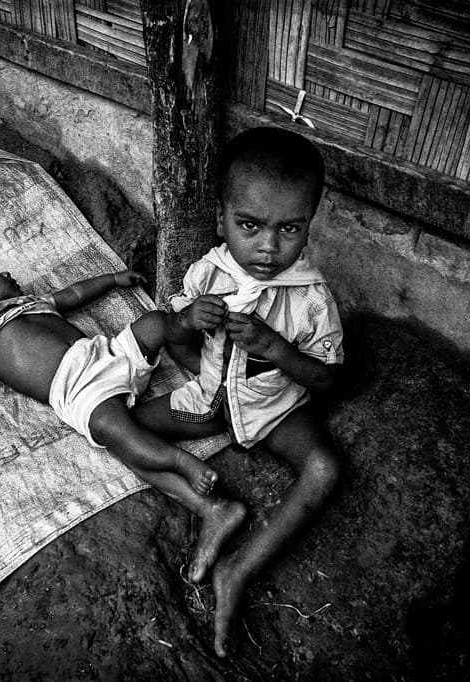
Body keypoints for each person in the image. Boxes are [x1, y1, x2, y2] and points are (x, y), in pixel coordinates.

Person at [0, 259, 255, 539]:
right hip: (79, 390)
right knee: (117, 433)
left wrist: (112, 280)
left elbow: (73, 295)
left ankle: (207, 363)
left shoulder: (25, 301)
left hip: (107, 352)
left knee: (156, 323)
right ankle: (180, 462)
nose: (6, 273)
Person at [133, 127, 344, 657]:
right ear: (221, 217)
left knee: (324, 469)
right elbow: (173, 335)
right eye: (249, 225)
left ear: (309, 224)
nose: (268, 247)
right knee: (124, 426)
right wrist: (186, 319)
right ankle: (211, 509)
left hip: (275, 409)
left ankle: (239, 568)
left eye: (289, 228)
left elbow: (328, 381)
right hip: (209, 400)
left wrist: (276, 349)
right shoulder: (209, 272)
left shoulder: (312, 299)